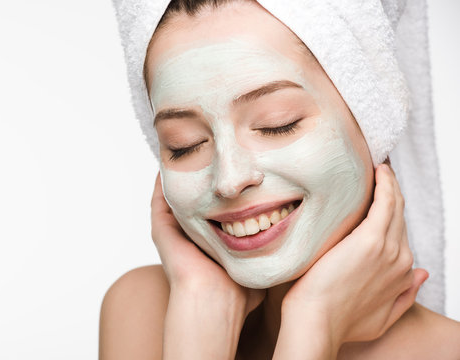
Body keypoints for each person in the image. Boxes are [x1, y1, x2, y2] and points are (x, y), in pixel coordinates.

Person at [100, 0, 460, 358]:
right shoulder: (140, 310)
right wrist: (200, 312)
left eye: (277, 124)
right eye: (184, 145)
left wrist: (313, 317)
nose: (229, 180)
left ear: (373, 125)